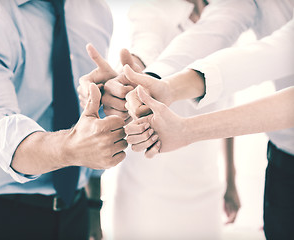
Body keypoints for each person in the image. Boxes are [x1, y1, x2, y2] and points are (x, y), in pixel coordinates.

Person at [0, 0, 127, 240]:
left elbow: (90, 118)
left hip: (76, 212)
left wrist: (93, 207)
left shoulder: (96, 9)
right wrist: (70, 147)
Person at [79, 1, 241, 239]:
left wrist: (230, 180)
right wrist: (129, 73)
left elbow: (226, 102)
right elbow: (146, 46)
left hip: (206, 186)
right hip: (148, 188)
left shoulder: (229, 16)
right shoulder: (153, 9)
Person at [124, 15, 294, 239]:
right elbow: (269, 51)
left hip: (205, 176)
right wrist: (164, 85)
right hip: (284, 165)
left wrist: (187, 129)